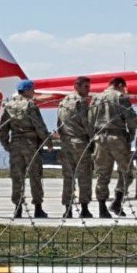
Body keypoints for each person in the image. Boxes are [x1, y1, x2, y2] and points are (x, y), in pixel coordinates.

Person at [0, 80, 52, 218]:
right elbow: (39, 126)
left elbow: (2, 129)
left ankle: (18, 208)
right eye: (32, 90)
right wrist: (48, 142)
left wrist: (7, 145)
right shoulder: (30, 105)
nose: (33, 93)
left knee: (17, 177)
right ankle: (38, 207)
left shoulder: (8, 105)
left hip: (15, 144)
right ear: (27, 91)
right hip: (30, 143)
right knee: (35, 176)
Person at [89, 77, 137, 218]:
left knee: (102, 174)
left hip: (99, 138)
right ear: (119, 85)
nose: (124, 90)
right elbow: (131, 119)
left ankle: (101, 207)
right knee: (127, 172)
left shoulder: (96, 98)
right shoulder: (121, 97)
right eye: (124, 87)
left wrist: (93, 138)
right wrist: (130, 136)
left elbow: (90, 120)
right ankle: (117, 201)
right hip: (117, 138)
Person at [56, 76, 94, 218]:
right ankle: (84, 208)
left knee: (68, 177)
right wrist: (93, 140)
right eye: (86, 87)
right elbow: (87, 123)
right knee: (84, 175)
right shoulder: (81, 102)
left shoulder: (63, 102)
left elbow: (59, 124)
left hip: (66, 143)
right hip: (79, 142)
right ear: (77, 87)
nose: (88, 90)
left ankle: (68, 208)